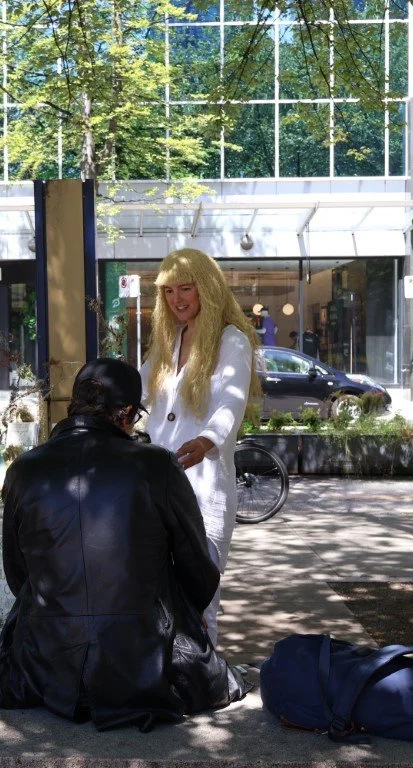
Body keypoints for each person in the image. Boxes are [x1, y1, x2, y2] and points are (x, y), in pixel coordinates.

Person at [0, 358, 246, 731]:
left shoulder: (25, 470)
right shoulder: (157, 464)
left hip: (46, 660)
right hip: (143, 659)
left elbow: (19, 574)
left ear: (74, 405)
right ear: (127, 413)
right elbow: (198, 568)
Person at [140, 248, 260, 646]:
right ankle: (167, 673)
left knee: (200, 590)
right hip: (159, 484)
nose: (177, 299)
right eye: (169, 291)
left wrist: (209, 439)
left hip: (204, 485)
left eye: (186, 288)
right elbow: (138, 395)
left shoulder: (232, 341)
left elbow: (232, 401)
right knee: (156, 589)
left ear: (205, 287)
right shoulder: (168, 340)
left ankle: (205, 673)